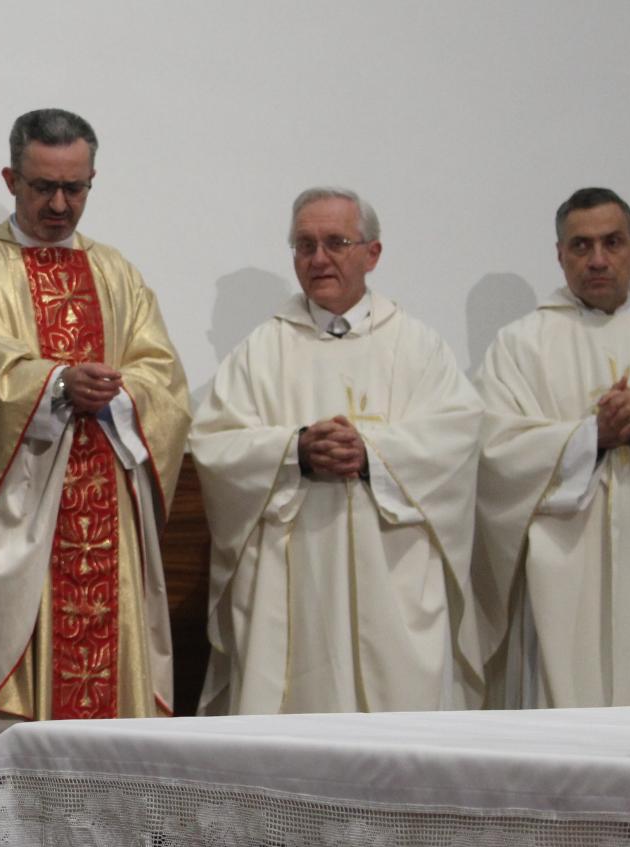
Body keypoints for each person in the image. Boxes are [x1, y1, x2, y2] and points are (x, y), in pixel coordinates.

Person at [0, 108, 190, 825]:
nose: (59, 205)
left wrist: (121, 393)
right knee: (5, 699)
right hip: (12, 529)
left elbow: (163, 378)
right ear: (10, 179)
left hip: (105, 522)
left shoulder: (117, 272)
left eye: (75, 189)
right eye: (43, 187)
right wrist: (53, 383)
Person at [190, 187, 486, 716]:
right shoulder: (263, 351)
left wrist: (372, 453)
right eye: (304, 246)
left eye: (335, 242)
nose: (318, 259)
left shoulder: (416, 347)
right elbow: (215, 444)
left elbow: (457, 436)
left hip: (392, 578)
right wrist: (295, 449)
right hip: (294, 583)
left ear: (372, 253)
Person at [474, 187, 630, 708]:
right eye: (581, 246)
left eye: (612, 243)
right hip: (567, 575)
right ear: (560, 255)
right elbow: (495, 455)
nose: (598, 260)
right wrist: (592, 437)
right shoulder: (522, 345)